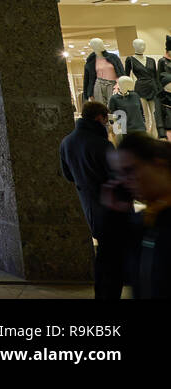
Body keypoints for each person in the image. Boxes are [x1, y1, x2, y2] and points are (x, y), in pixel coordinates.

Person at [95, 132, 171, 299]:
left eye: (130, 170)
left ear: (158, 165)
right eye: (119, 174)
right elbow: (114, 272)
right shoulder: (147, 221)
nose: (124, 182)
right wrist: (114, 217)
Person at [59, 100, 113, 236]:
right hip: (111, 205)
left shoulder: (66, 142)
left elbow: (68, 175)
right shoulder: (102, 144)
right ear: (99, 117)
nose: (106, 124)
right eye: (106, 120)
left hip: (88, 203)